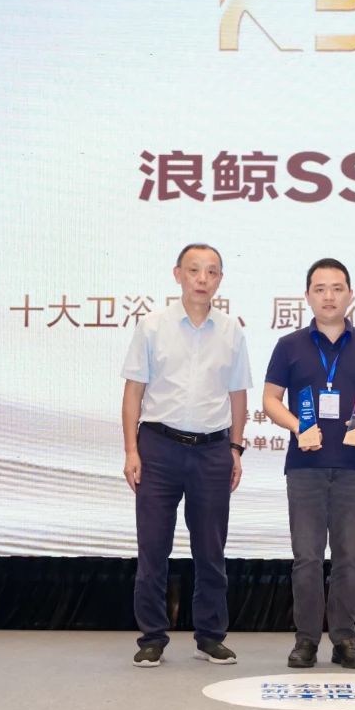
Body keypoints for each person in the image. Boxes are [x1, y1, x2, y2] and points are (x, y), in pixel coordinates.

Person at [121, 243, 252, 668]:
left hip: (213, 450)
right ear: (178, 274)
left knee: (211, 550)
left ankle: (210, 636)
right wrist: (131, 450)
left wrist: (235, 448)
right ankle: (152, 637)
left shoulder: (231, 331)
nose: (202, 279)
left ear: (220, 280)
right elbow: (134, 391)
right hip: (158, 448)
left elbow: (238, 395)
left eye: (211, 271)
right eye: (194, 270)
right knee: (153, 549)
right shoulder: (152, 326)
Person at [263, 258, 355, 669]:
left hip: (354, 468)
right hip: (305, 468)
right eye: (320, 289)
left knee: (348, 559)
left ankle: (344, 640)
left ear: (350, 295)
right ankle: (305, 641)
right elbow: (270, 399)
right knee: (306, 558)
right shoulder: (289, 345)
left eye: (337, 288)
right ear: (307, 296)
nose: (329, 296)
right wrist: (297, 427)